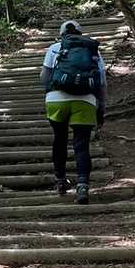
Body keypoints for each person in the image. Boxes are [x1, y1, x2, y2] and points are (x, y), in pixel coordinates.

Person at [40, 19, 106, 204]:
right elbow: (101, 83)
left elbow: (44, 78)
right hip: (85, 101)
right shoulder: (93, 50)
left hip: (56, 100)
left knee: (59, 139)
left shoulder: (54, 48)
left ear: (62, 34)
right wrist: (101, 107)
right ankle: (83, 187)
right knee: (81, 145)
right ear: (80, 33)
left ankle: (60, 180)